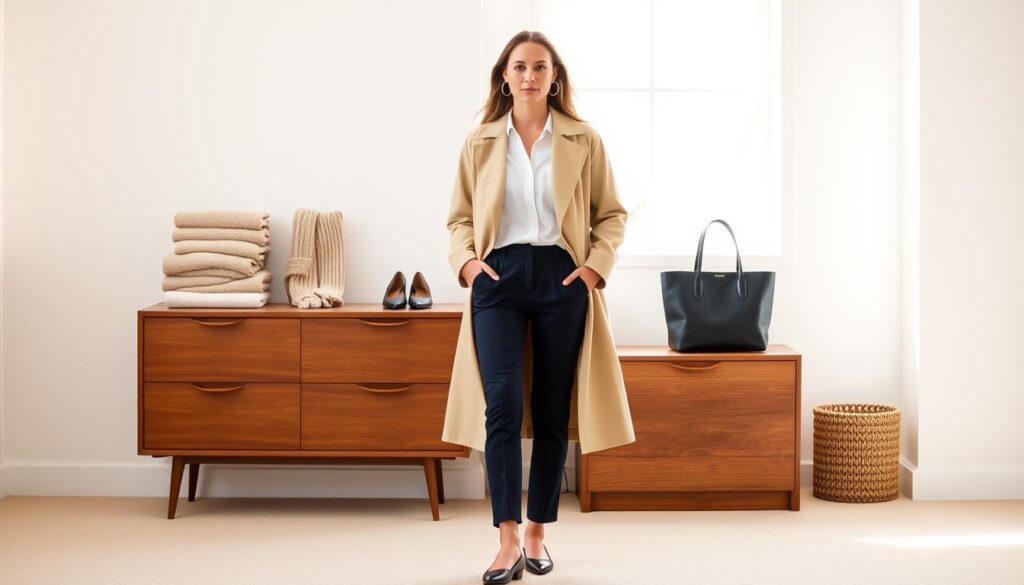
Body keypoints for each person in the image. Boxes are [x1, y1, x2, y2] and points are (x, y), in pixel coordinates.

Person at [443, 30, 634, 584]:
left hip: (560, 276)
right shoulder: (480, 141)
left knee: (551, 409)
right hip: (497, 277)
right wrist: (468, 264)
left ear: (555, 78)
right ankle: (505, 540)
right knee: (500, 404)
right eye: (519, 67)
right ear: (504, 75)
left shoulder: (583, 140)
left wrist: (594, 268)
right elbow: (458, 218)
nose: (529, 76)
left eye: (540, 68)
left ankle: (537, 533)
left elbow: (612, 215)